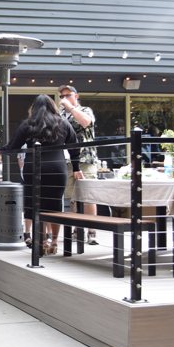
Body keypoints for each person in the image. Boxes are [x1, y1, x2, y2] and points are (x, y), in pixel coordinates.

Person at [0, 94, 81, 256]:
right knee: (55, 205)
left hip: (34, 168)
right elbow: (74, 147)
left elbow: (13, 146)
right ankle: (54, 241)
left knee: (36, 205)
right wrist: (76, 167)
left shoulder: (28, 124)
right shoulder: (63, 123)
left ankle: (41, 242)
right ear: (53, 106)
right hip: (57, 168)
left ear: (34, 108)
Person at [59, 85, 99, 245]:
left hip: (85, 159)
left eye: (68, 95)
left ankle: (92, 231)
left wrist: (70, 108)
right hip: (67, 160)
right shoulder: (60, 115)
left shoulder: (85, 110)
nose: (64, 98)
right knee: (72, 197)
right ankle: (77, 230)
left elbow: (85, 122)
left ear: (76, 96)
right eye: (62, 96)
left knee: (89, 196)